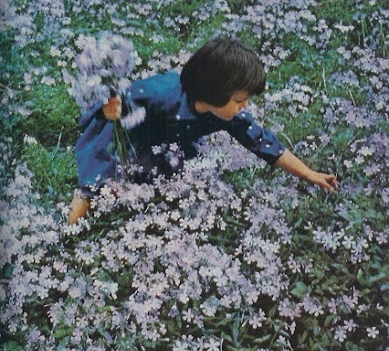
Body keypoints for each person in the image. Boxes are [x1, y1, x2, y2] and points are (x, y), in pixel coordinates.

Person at [69, 38, 338, 223]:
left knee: (166, 175)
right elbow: (113, 100)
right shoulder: (160, 94)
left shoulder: (228, 114)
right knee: (96, 184)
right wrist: (109, 109)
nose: (245, 106)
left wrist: (309, 174)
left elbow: (263, 143)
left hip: (169, 143)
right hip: (124, 133)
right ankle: (70, 231)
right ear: (213, 92)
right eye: (239, 100)